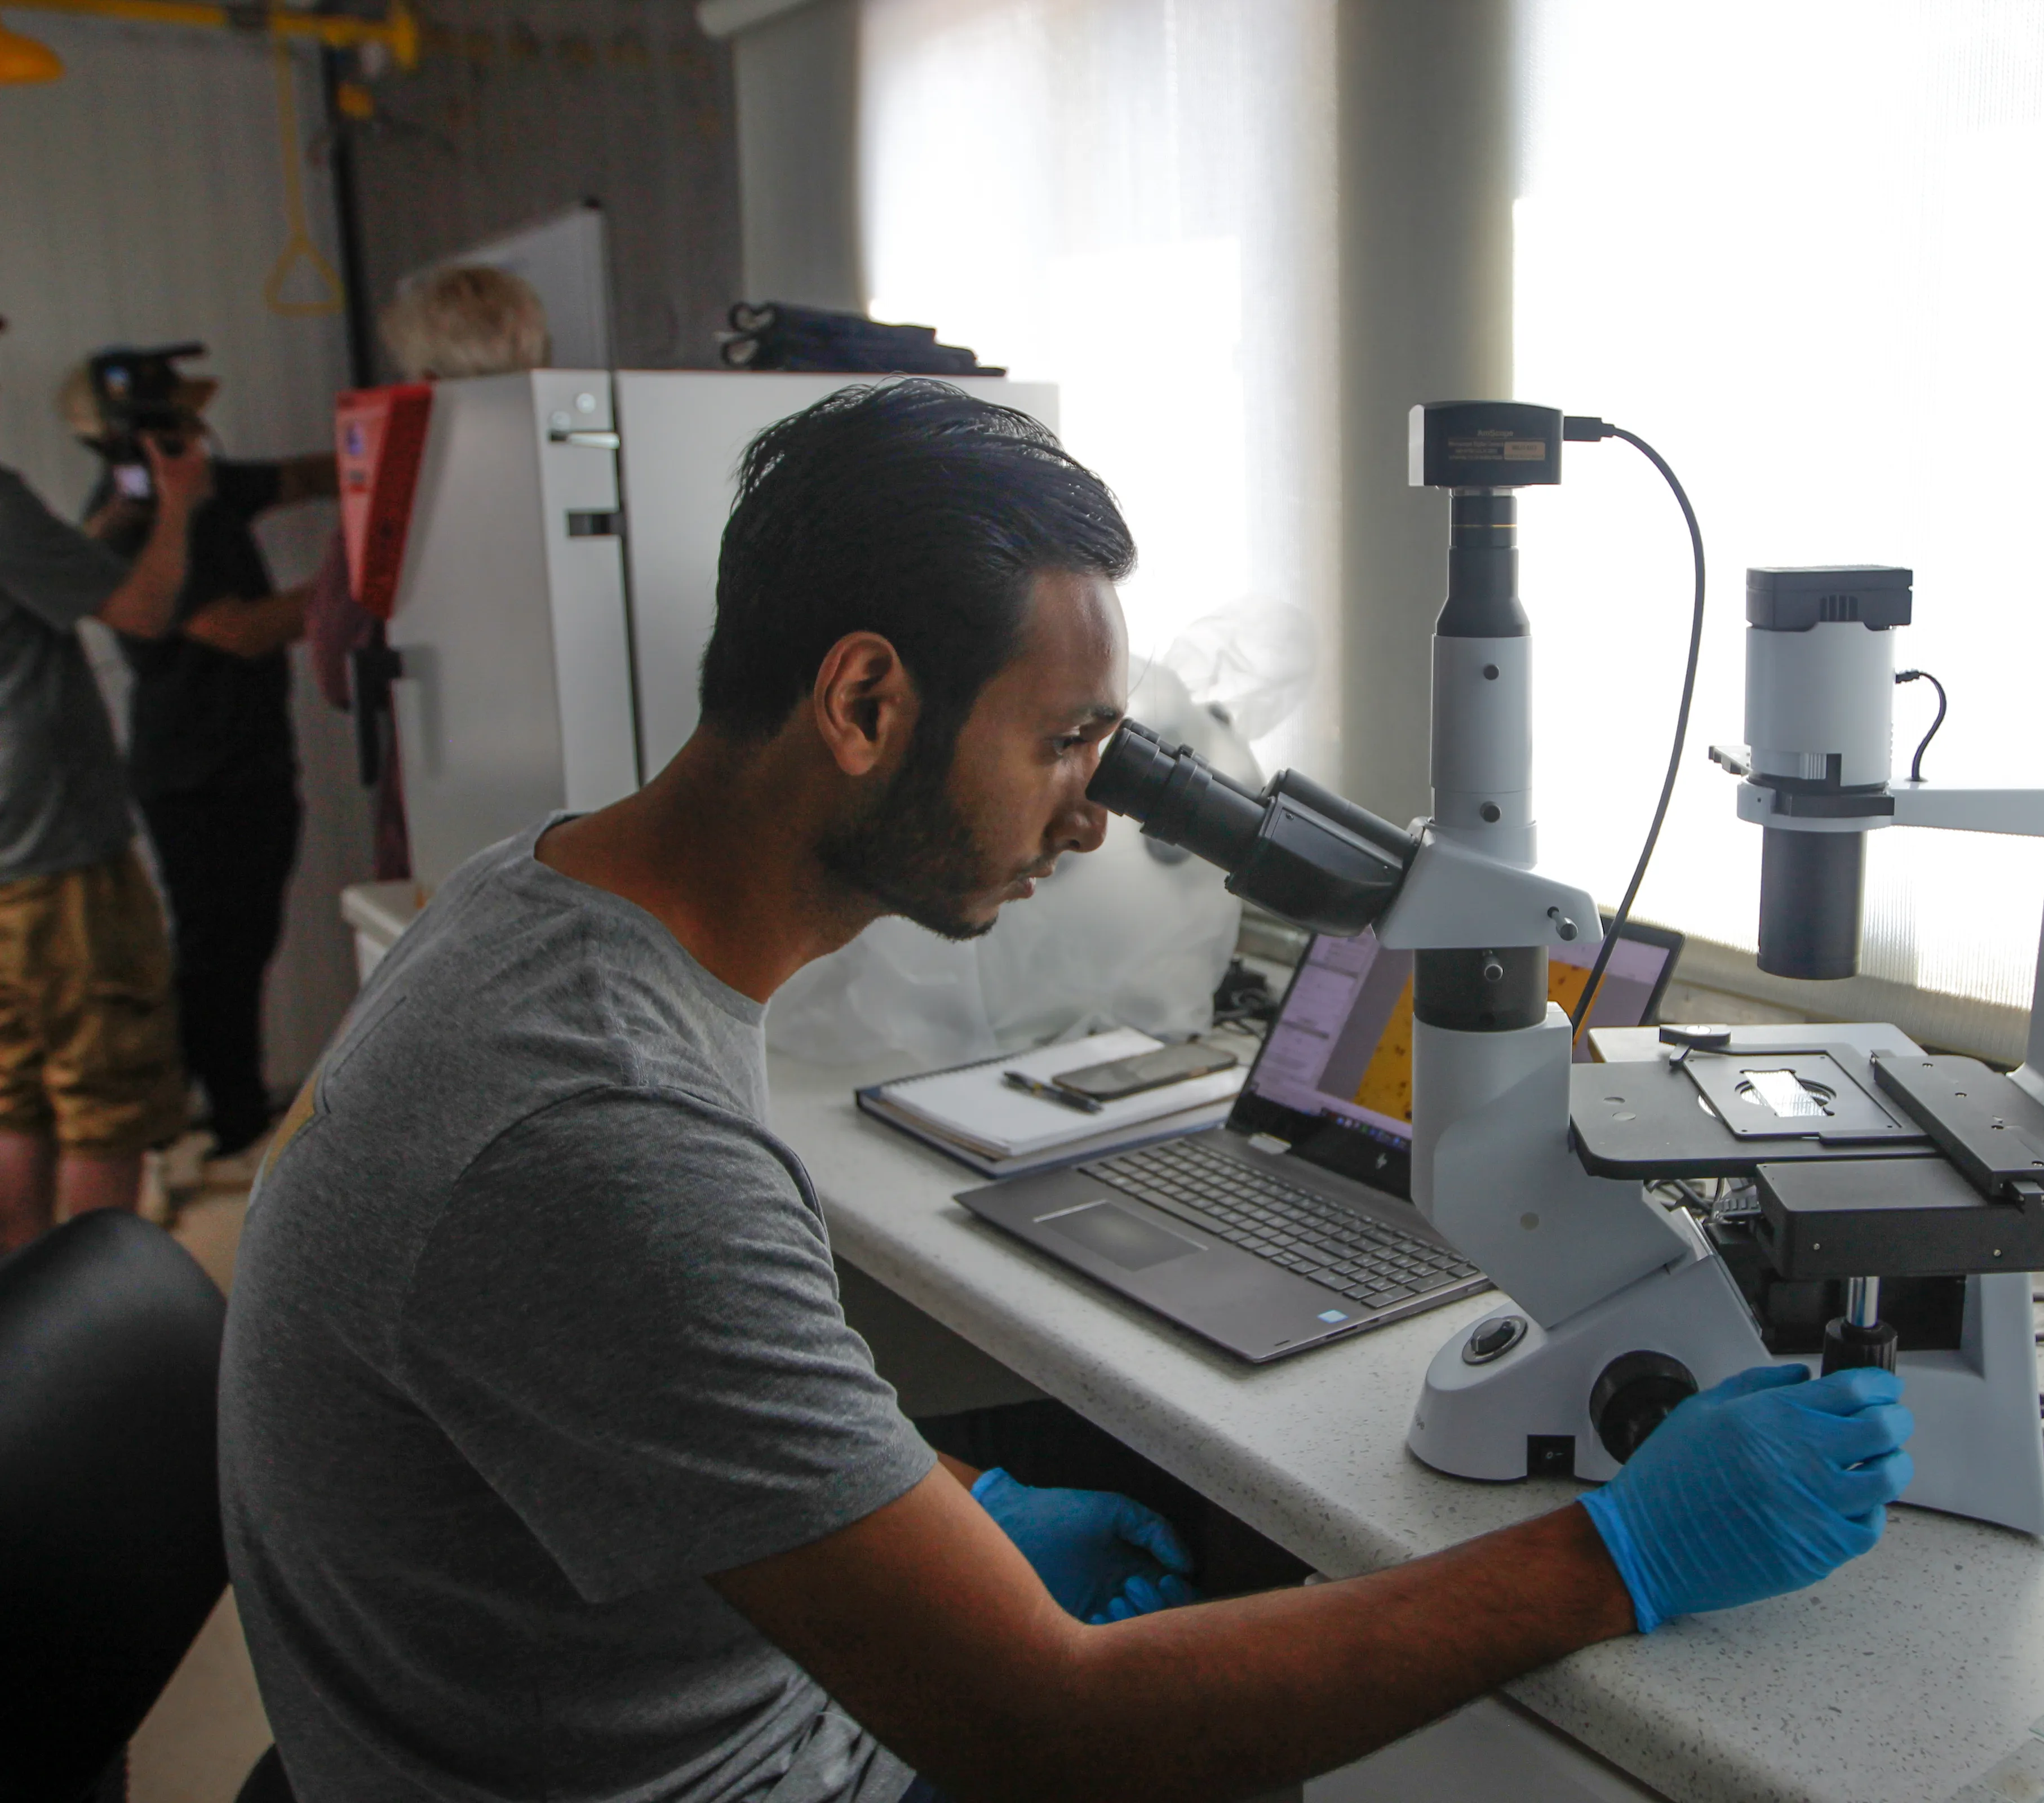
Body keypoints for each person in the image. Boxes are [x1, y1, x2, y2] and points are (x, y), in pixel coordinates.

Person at [220, 381, 1916, 1801]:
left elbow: (663, 1390)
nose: (1097, 814)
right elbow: (1048, 1728)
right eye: (1064, 743)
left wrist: (957, 1509)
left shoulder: (544, 911)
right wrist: (1621, 1552)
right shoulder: (597, 1130)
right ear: (867, 699)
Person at [62, 358, 339, 1160]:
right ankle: (231, 1127)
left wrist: (389, 454)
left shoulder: (208, 483)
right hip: (194, 776)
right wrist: (357, 578)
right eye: (169, 423)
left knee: (242, 944)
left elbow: (300, 476)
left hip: (251, 757)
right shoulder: (129, 522)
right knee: (220, 954)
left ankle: (228, 1123)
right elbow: (242, 628)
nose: (188, 433)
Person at [1, 349, 208, 1253]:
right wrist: (176, 508)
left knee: (14, 1100)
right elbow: (143, 608)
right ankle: (100, 1348)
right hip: (60, 857)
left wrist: (115, 517)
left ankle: (25, 1337)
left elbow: (49, 585)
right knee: (104, 1105)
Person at [305, 264, 555, 883]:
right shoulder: (599, 446)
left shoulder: (395, 488)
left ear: (425, 377)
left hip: (447, 801)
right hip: (582, 804)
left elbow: (340, 672)